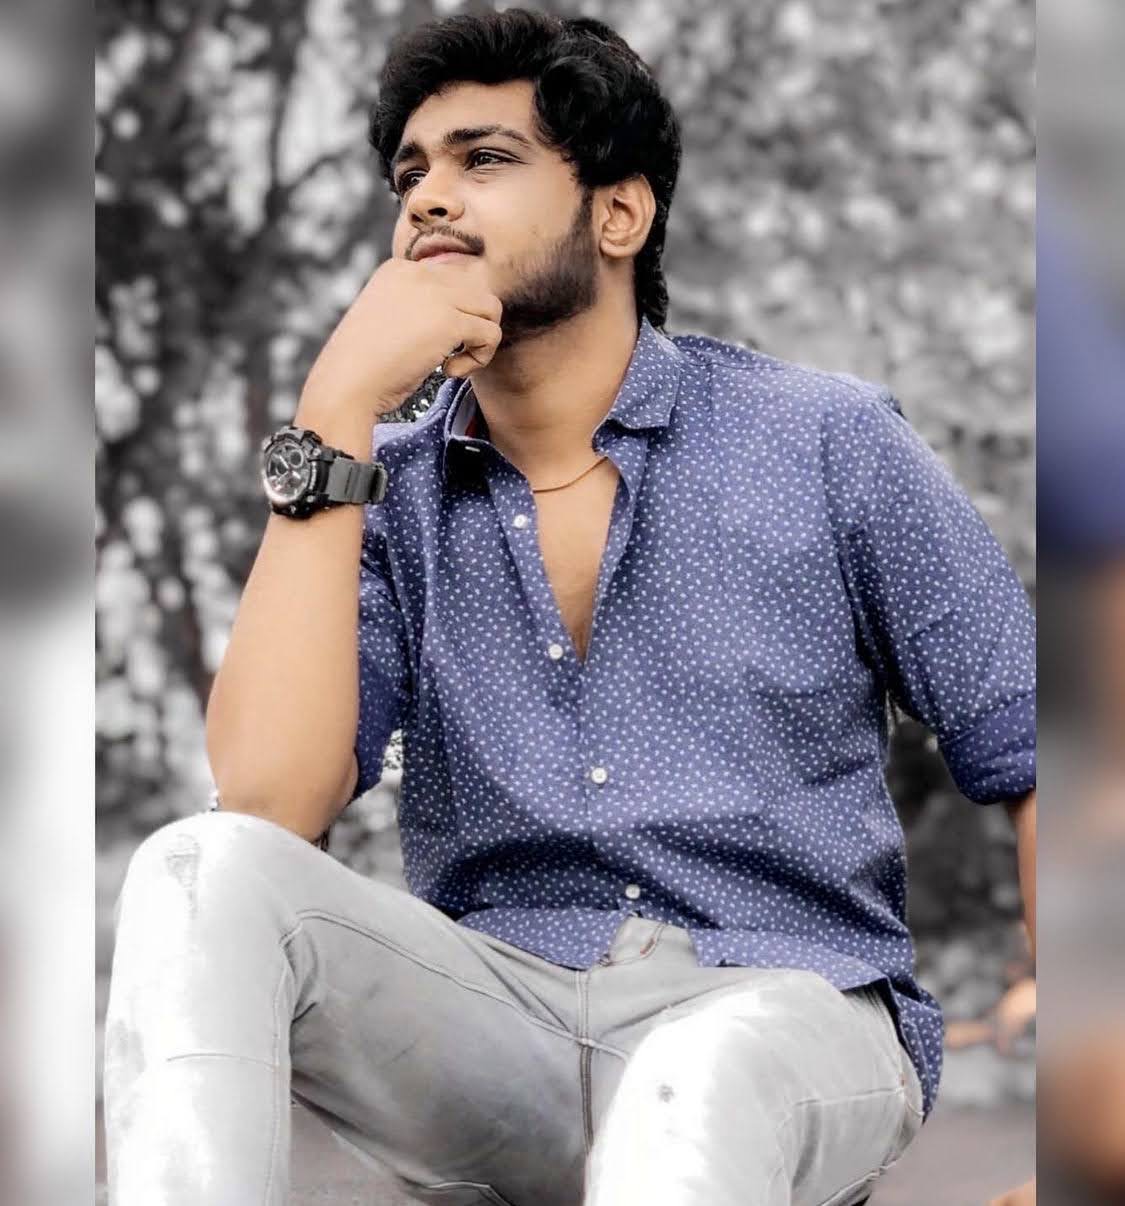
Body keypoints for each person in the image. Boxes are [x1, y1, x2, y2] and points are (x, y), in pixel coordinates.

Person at [102, 9, 1037, 1205]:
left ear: (619, 214)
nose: (430, 199)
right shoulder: (381, 498)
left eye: (485, 159)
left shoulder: (824, 442)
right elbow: (270, 809)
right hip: (501, 1028)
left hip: (783, 1015)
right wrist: (335, 412)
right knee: (198, 869)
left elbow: (1044, 744)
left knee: (697, 1074)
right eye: (410, 174)